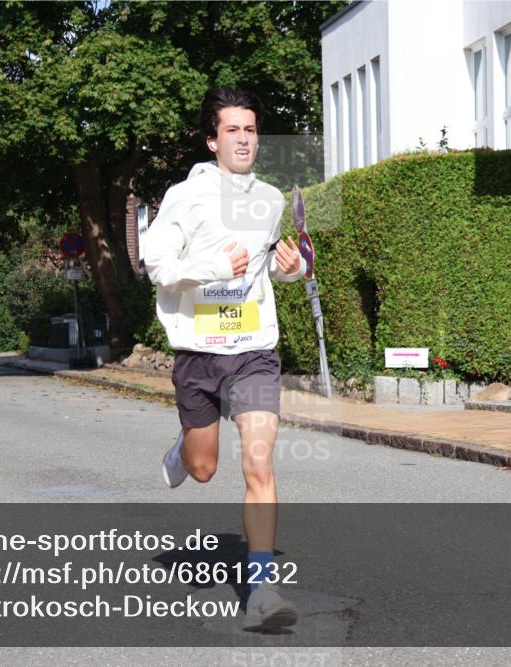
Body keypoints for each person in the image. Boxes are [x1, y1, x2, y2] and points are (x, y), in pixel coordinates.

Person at [143, 87, 306, 631]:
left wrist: (291, 267)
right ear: (212, 140)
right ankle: (186, 446)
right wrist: (214, 265)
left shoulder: (272, 200)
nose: (243, 139)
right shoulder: (182, 197)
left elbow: (267, 269)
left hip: (255, 350)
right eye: (232, 130)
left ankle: (261, 589)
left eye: (251, 130)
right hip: (199, 351)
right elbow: (159, 266)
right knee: (205, 468)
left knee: (258, 462)